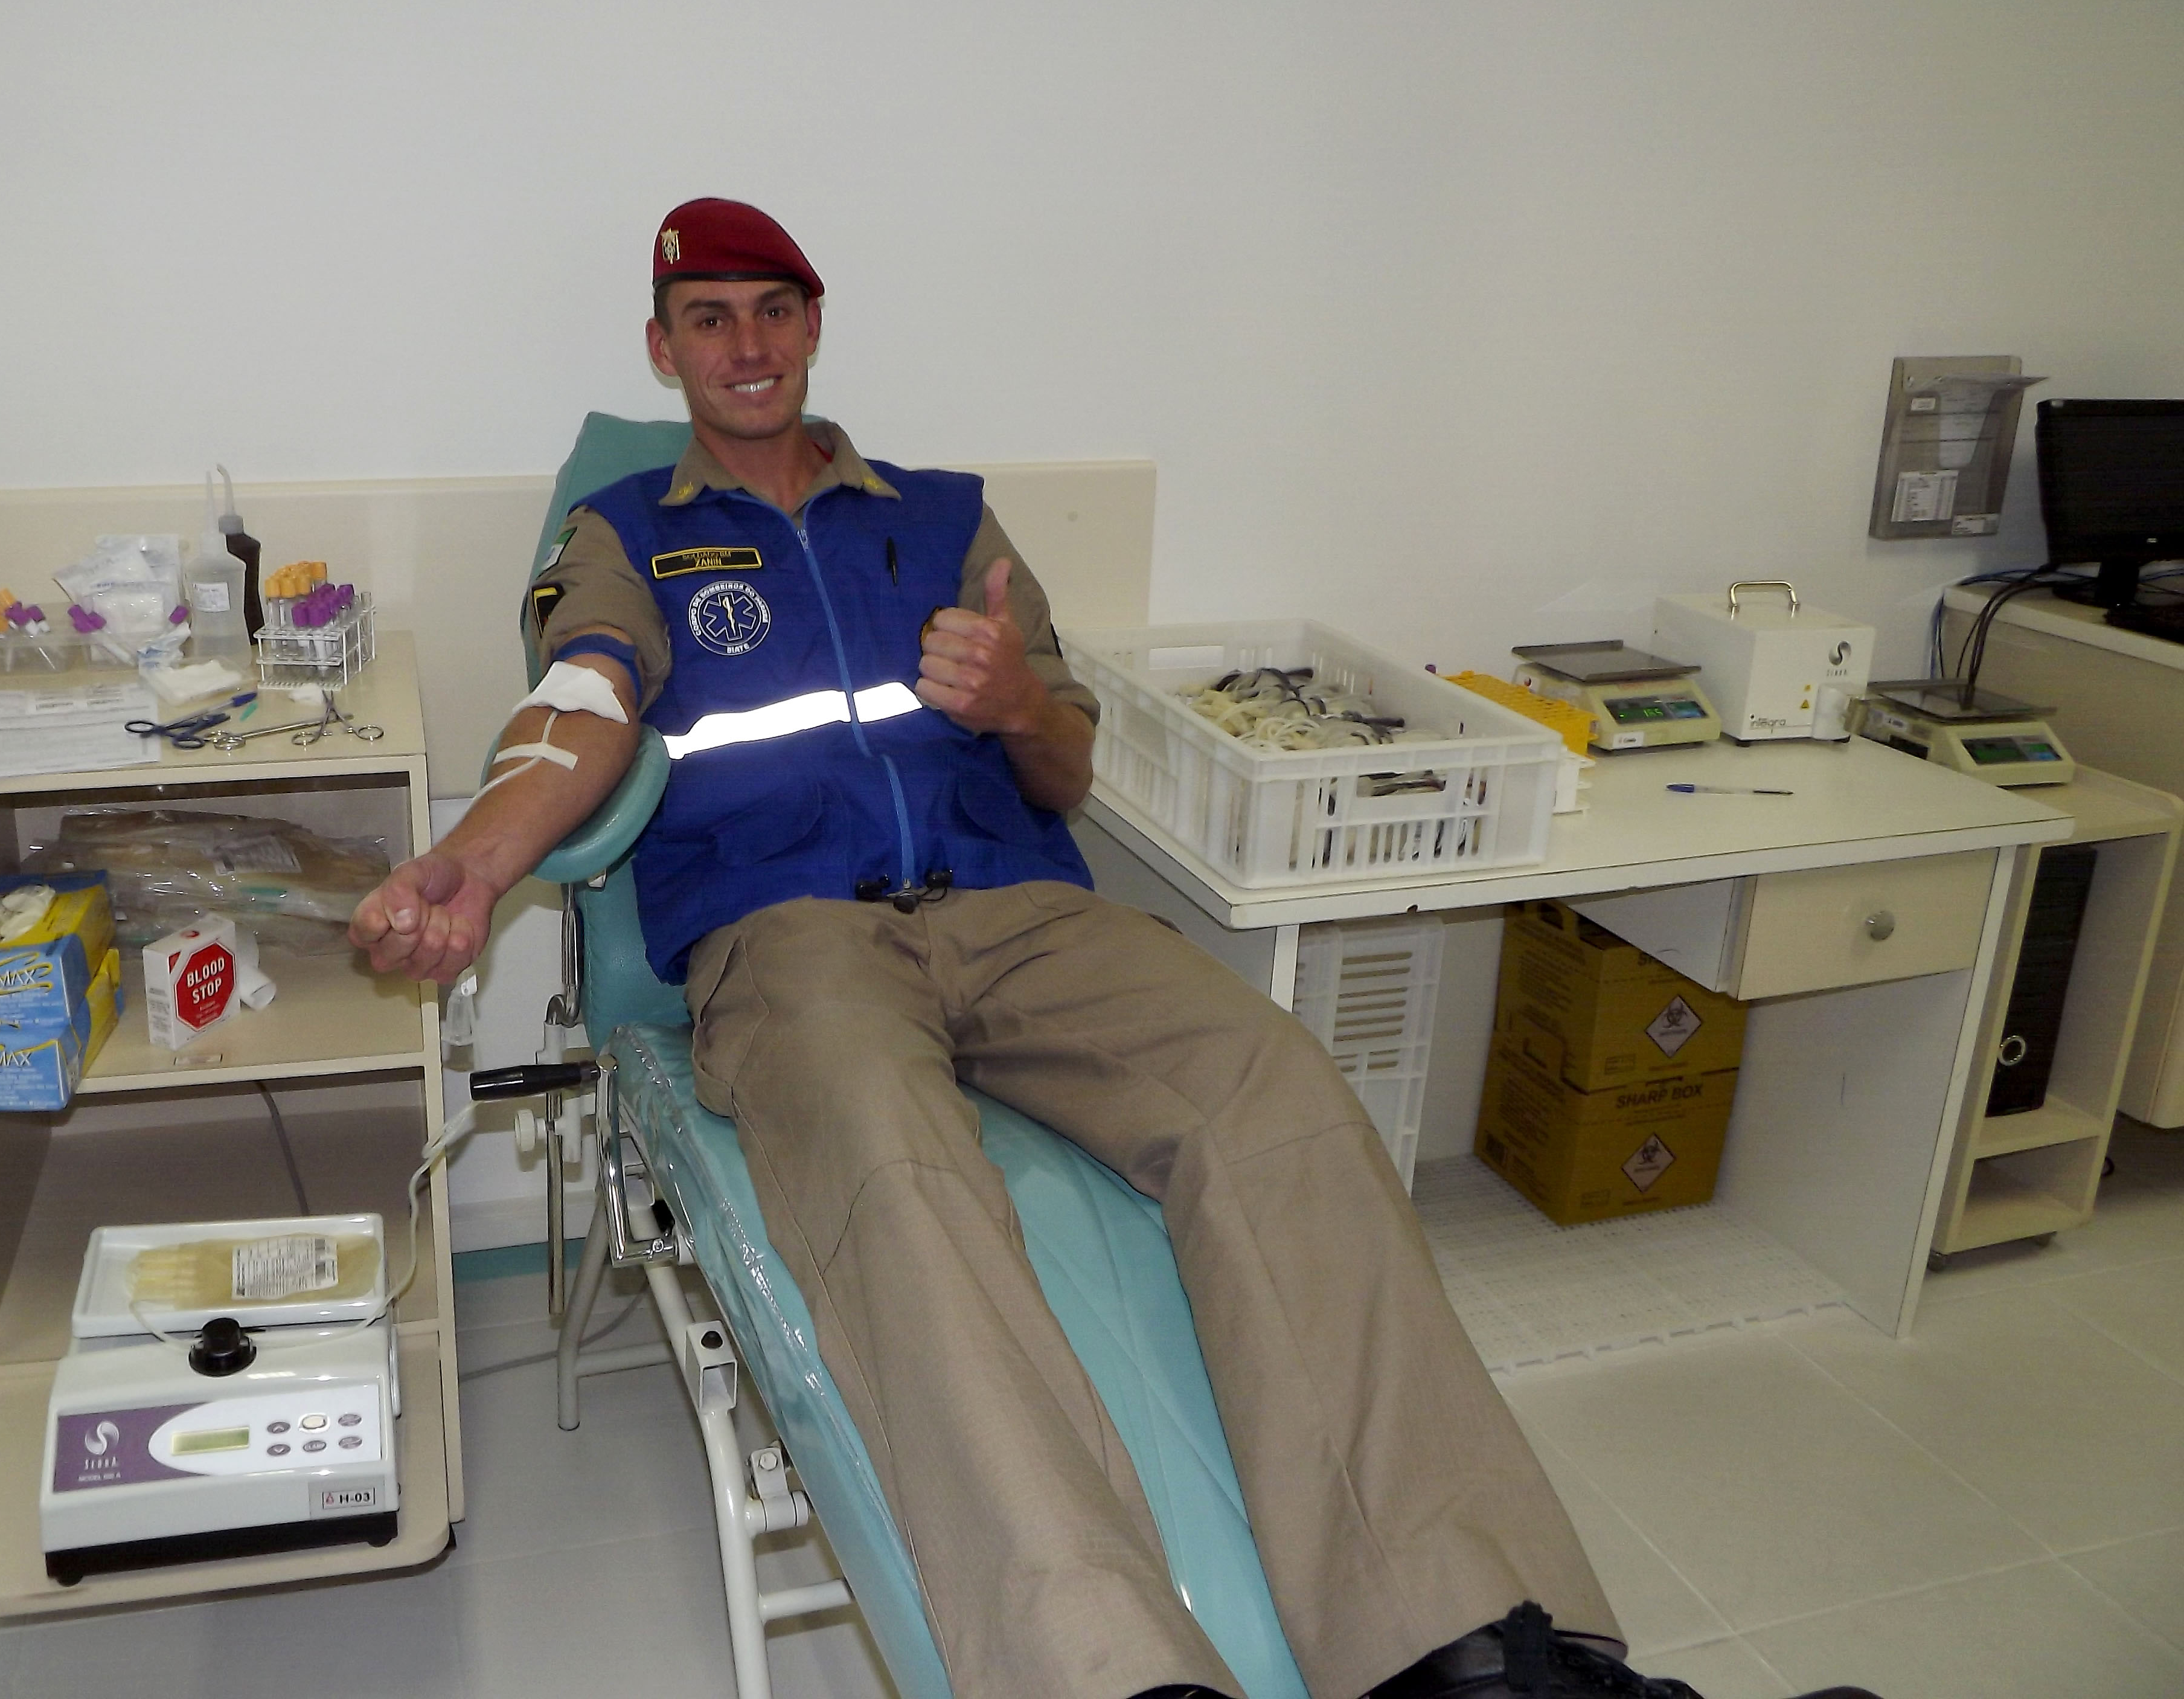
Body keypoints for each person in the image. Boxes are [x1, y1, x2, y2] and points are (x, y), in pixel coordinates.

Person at [351, 201, 1871, 1699]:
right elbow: (582, 700)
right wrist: (470, 867)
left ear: (813, 326)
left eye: (772, 311)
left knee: (1276, 1089)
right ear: (663, 347)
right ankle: (1106, 1673)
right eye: (708, 319)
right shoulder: (629, 533)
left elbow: (1064, 770)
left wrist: (1016, 702)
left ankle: (1466, 1646)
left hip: (1017, 913)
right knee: (898, 1169)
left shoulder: (944, 517)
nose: (745, 345)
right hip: (792, 936)